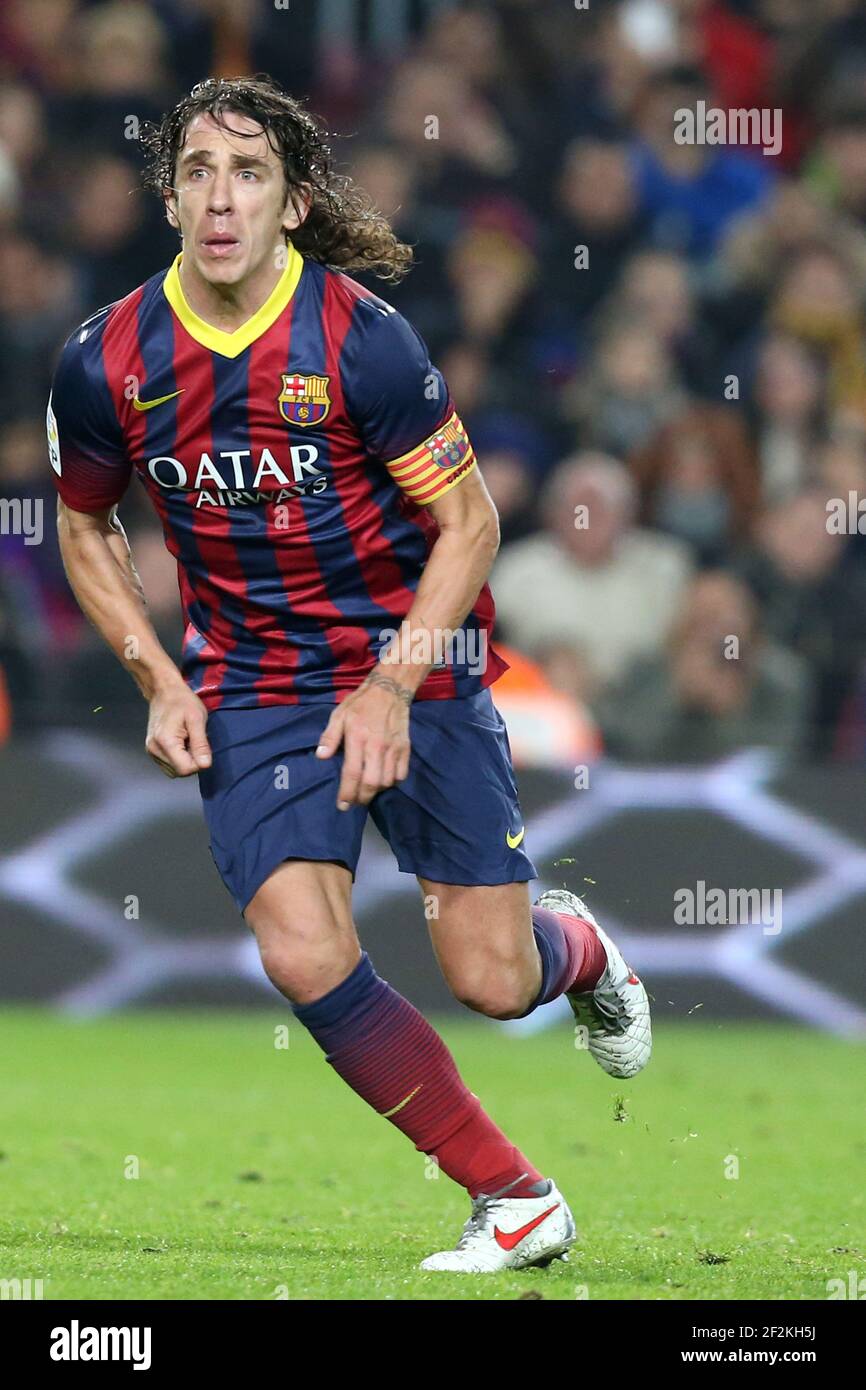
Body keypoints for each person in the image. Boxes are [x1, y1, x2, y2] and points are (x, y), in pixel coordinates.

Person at [46, 75, 651, 1275]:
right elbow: (83, 527)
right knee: (300, 948)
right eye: (199, 174)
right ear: (168, 199)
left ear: (291, 201)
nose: (222, 199)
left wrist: (387, 685)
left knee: (491, 977)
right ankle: (513, 1198)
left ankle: (570, 950)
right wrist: (160, 678)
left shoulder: (361, 342)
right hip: (256, 680)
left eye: (250, 173)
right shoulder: (105, 359)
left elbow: (470, 523)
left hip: (412, 660)